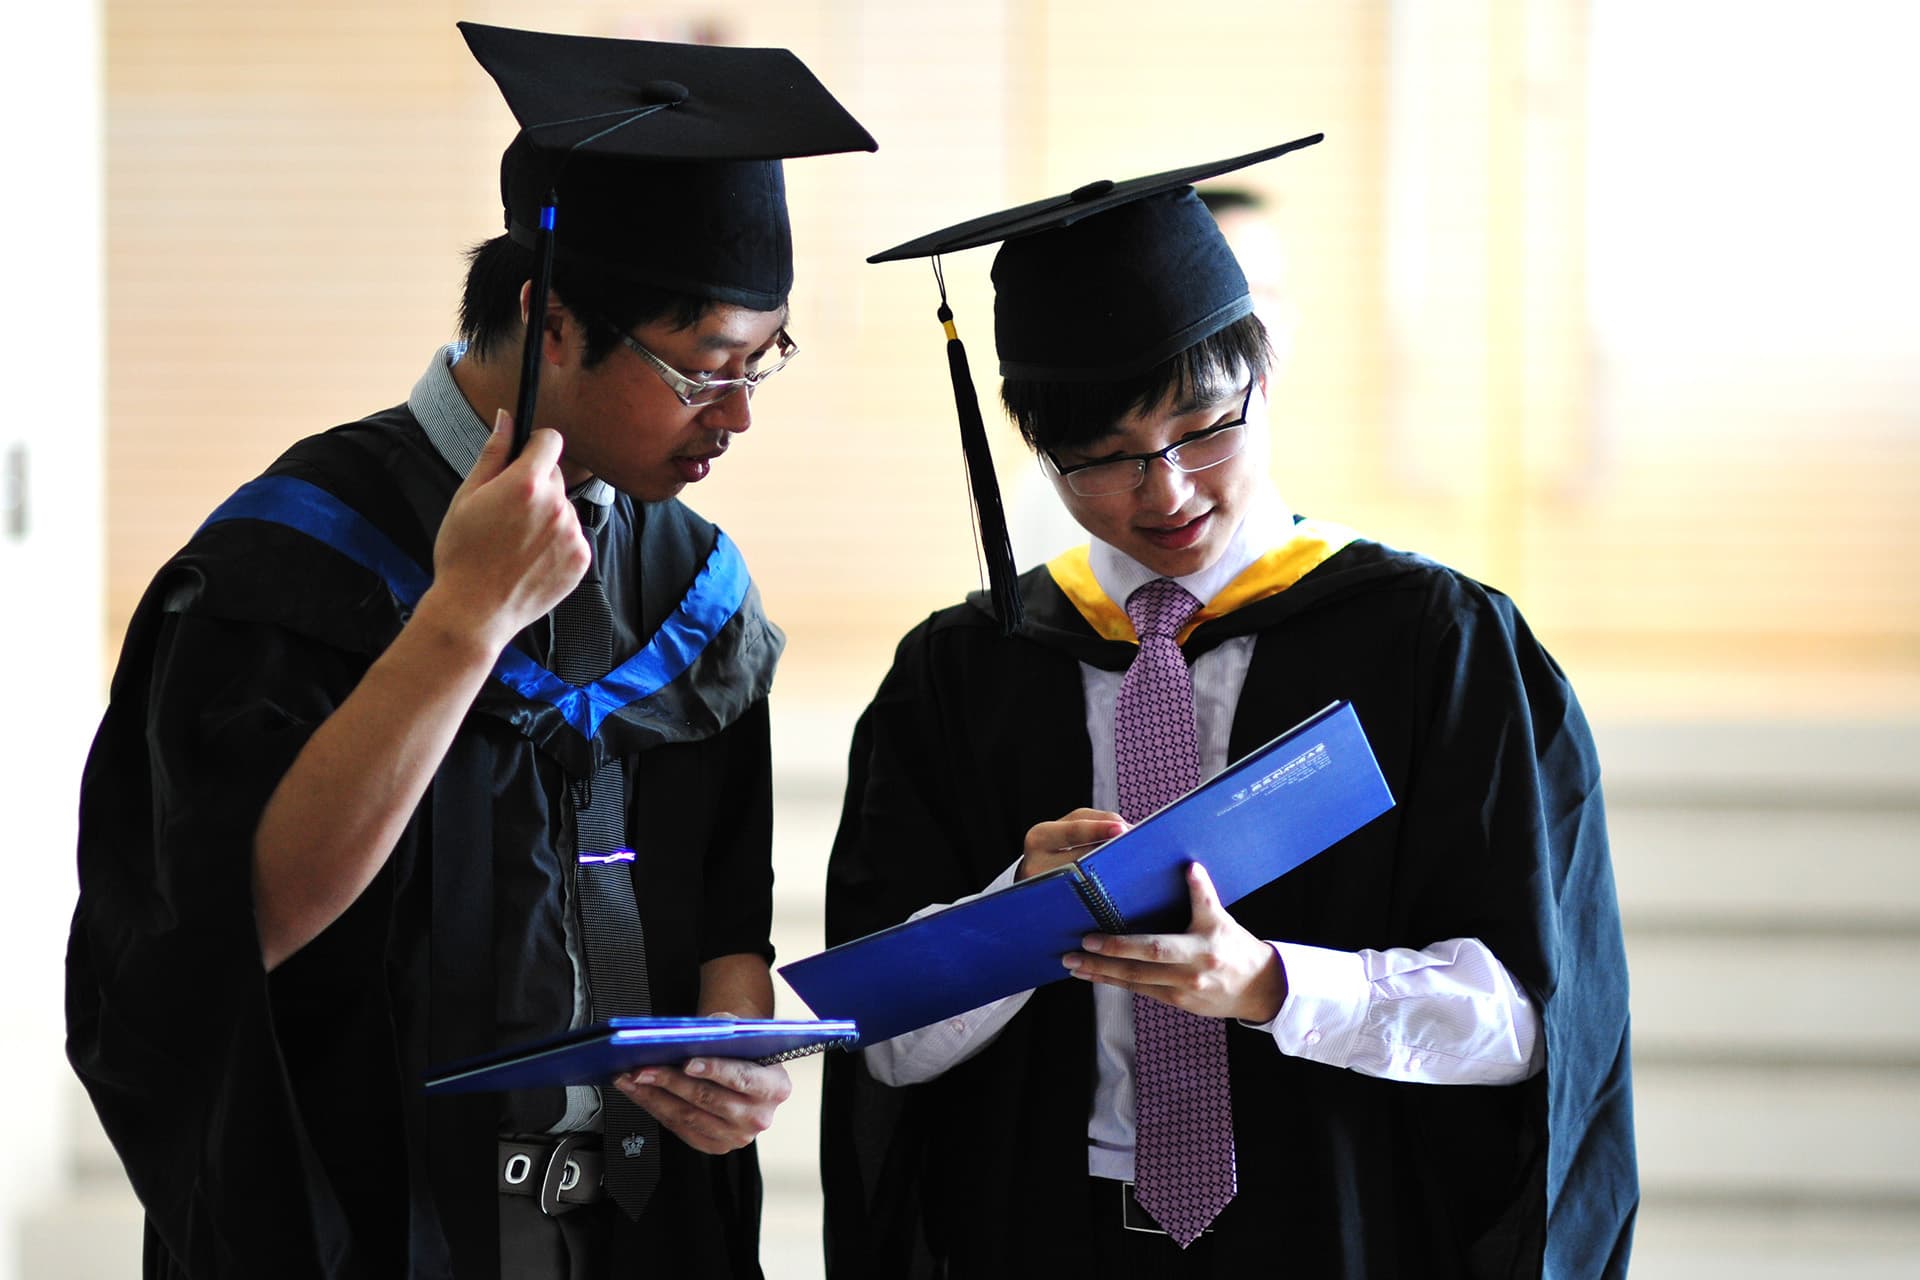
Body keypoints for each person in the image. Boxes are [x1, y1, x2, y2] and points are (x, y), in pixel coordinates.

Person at [65, 22, 873, 1279]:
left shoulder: (689, 578)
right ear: (550, 324)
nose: (740, 413)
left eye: (764, 359)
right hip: (374, 1226)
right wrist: (462, 623)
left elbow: (726, 908)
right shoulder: (289, 563)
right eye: (704, 365)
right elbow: (225, 927)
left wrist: (736, 1041)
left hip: (633, 1227)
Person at [820, 140, 1637, 1276]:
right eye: (1102, 456)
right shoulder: (963, 673)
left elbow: (1531, 1019)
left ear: (1264, 370)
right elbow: (881, 1046)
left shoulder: (1435, 643)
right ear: (1035, 447)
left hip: (1341, 1227)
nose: (1166, 489)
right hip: (1041, 1231)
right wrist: (1016, 912)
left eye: (1203, 425)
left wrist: (1274, 986)